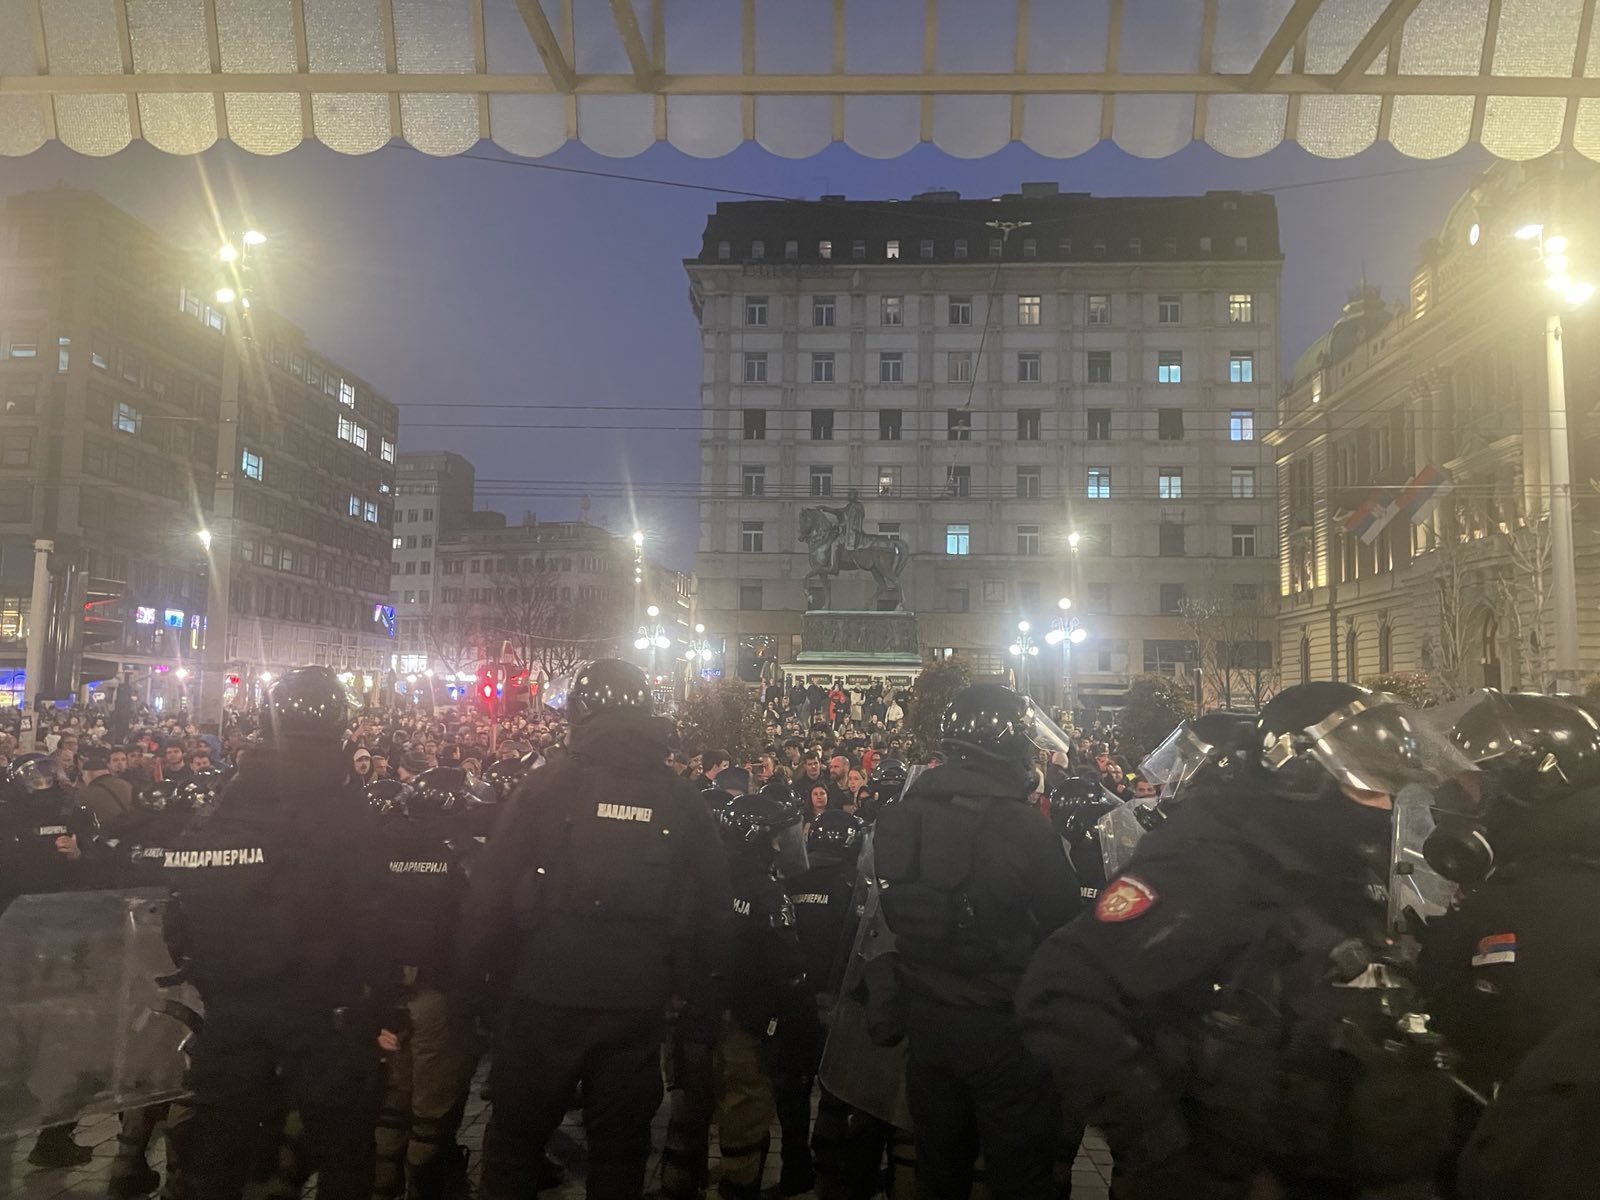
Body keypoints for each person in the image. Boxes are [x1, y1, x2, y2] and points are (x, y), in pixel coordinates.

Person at [1018, 681, 1469, 1199]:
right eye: (1369, 787)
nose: (1384, 805)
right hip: (1230, 1175)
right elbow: (1062, 988)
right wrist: (1162, 1147)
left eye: (1390, 790)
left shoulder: (1332, 869)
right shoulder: (1213, 865)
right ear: (1301, 774)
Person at [455, 659, 733, 1200]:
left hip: (542, 995)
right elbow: (714, 909)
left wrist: (471, 995)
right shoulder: (680, 797)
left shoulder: (546, 786)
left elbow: (488, 895)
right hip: (636, 1002)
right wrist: (700, 1003)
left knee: (514, 1144)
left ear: (580, 714)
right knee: (621, 1154)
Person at [161, 666, 396, 1200]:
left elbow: (184, 891)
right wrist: (381, 1001)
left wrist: (207, 972)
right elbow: (373, 914)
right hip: (323, 1009)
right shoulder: (345, 805)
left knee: (218, 1150)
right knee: (343, 1149)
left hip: (233, 1006)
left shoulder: (231, 796)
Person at [869, 684, 1082, 1199]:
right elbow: (1064, 923)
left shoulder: (909, 808)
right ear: (1007, 743)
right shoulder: (1023, 825)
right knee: (1018, 1174)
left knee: (938, 1170)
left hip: (925, 1020)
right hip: (1002, 1027)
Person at [1420, 692, 1600, 1096]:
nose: (1454, 807)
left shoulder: (1530, 903)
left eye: (1470, 791)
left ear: (1528, 788)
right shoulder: (1570, 861)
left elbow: (1504, 1041)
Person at [369, 766, 479, 1200]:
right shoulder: (460, 856)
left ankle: (383, 1186)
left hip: (387, 995)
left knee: (393, 1099)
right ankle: (424, 1188)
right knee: (431, 1110)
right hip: (437, 995)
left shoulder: (382, 846)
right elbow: (480, 926)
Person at [715, 791, 812, 1199]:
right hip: (751, 1022)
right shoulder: (769, 894)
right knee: (747, 1106)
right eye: (780, 837)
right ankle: (740, 1187)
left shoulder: (710, 878)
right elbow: (788, 967)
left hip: (708, 1008)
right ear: (762, 839)